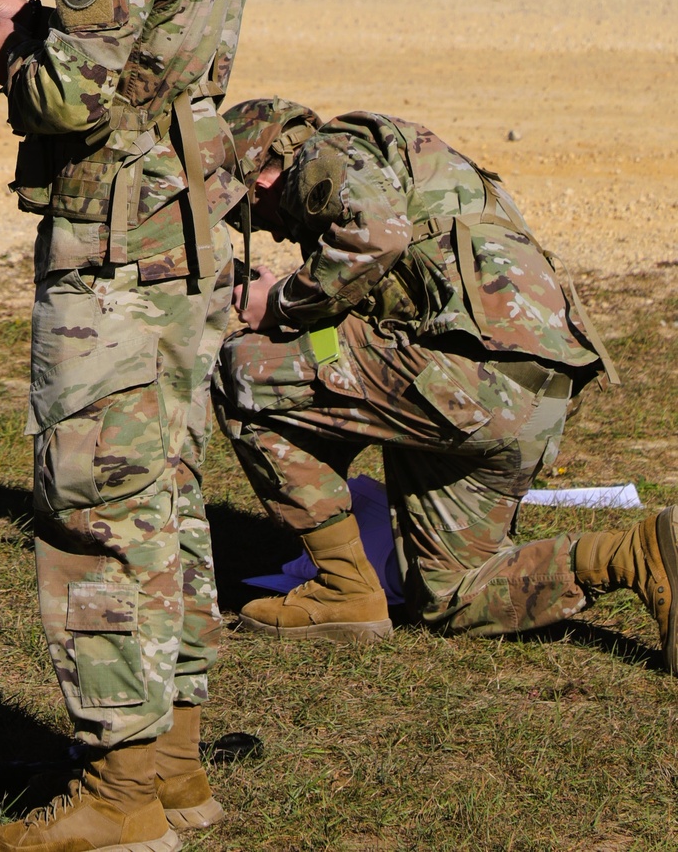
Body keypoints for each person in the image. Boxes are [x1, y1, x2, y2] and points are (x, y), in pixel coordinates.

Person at [0, 0, 260, 852]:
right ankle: (173, 765)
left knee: (92, 504)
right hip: (187, 236)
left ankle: (119, 799)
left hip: (113, 246)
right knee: (164, 496)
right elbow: (147, 45)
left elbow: (74, 93)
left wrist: (4, 55)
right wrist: (39, 14)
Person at [212, 99, 677, 669]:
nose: (272, 234)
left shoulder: (324, 152)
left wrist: (278, 304)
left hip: (473, 383)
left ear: (260, 174)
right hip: (532, 395)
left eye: (247, 216)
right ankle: (634, 554)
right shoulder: (406, 162)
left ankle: (344, 589)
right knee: (448, 594)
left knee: (242, 365)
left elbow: (372, 241)